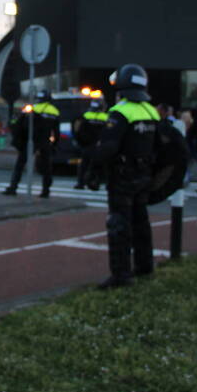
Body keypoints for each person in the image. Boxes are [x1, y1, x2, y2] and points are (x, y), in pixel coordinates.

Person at [89, 64, 161, 289]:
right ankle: (145, 266)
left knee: (119, 224)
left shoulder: (121, 112)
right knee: (141, 222)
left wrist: (93, 168)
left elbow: (108, 147)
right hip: (144, 175)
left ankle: (121, 275)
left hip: (122, 177)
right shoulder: (151, 112)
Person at [2, 91, 59, 197]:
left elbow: (21, 124)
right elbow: (56, 131)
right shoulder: (54, 111)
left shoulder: (32, 108)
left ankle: (13, 187)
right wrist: (55, 144)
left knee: (20, 164)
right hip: (45, 141)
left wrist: (18, 139)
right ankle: (46, 190)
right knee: (46, 167)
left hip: (30, 140)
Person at [73, 97, 108, 189]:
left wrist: (81, 143)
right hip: (100, 145)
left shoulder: (85, 116)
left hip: (87, 145)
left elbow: (78, 130)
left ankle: (81, 183)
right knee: (99, 165)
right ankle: (95, 182)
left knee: (84, 165)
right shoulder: (106, 117)